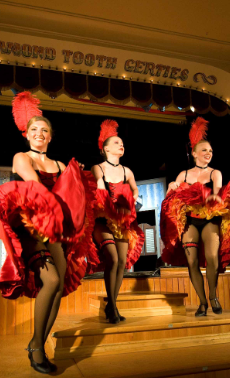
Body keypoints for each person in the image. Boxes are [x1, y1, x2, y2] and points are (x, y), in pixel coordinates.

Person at [0, 92, 91, 374]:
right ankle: (35, 348)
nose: (39, 134)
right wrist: (67, 184)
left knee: (57, 288)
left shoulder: (59, 165)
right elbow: (35, 188)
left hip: (54, 229)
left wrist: (76, 177)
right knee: (52, 278)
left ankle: (38, 344)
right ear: (26, 134)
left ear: (51, 136)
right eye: (34, 130)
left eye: (44, 131)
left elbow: (74, 193)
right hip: (31, 226)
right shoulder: (22, 158)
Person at [160, 117, 230, 316]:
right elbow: (170, 201)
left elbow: (217, 193)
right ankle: (202, 302)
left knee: (211, 257)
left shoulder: (215, 172)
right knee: (191, 262)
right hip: (190, 220)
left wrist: (214, 198)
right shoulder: (183, 174)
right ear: (194, 153)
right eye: (204, 150)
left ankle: (213, 295)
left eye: (210, 151)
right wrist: (171, 187)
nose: (208, 153)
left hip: (210, 218)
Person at [88, 120, 144, 323]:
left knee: (121, 262)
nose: (121, 145)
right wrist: (114, 201)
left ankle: (112, 305)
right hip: (103, 219)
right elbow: (101, 189)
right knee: (112, 258)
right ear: (105, 148)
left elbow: (135, 189)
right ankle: (111, 306)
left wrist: (133, 197)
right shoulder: (98, 168)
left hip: (122, 222)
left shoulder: (127, 171)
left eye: (122, 143)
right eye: (117, 142)